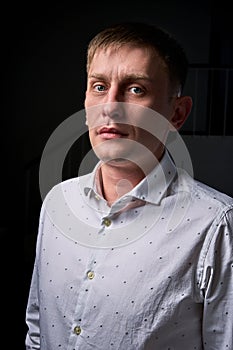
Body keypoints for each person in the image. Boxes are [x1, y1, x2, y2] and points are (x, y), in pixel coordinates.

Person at [25, 21, 233, 350]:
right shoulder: (57, 202)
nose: (111, 105)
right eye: (98, 86)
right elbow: (38, 329)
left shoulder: (216, 225)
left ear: (177, 114)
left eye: (136, 89)